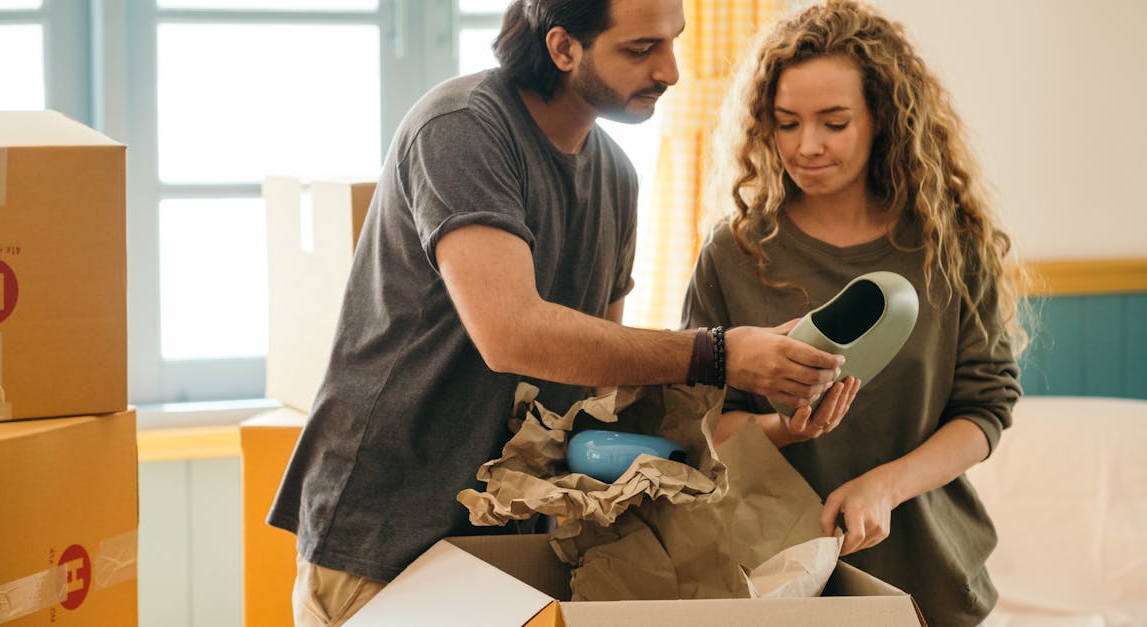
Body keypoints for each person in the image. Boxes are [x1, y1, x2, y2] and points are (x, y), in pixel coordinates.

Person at [267, 1, 853, 624]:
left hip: (509, 545)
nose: (671, 71)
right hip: (384, 534)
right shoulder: (462, 128)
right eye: (640, 49)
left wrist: (763, 428)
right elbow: (510, 333)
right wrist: (719, 354)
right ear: (563, 48)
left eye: (672, 43)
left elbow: (598, 384)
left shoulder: (617, 178)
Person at [681, 1, 1026, 625]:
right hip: (769, 581)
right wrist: (788, 430)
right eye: (787, 123)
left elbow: (986, 407)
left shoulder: (948, 245)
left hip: (931, 581)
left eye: (833, 123)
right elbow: (701, 433)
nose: (806, 146)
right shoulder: (732, 255)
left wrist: (885, 486)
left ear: (882, 121)